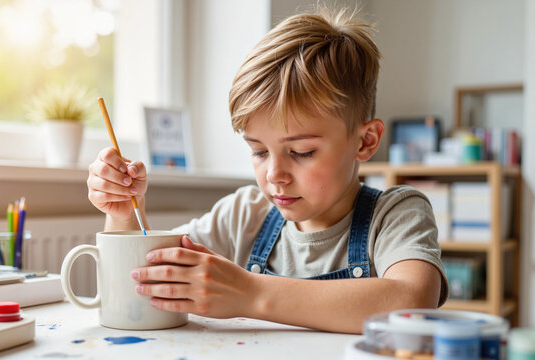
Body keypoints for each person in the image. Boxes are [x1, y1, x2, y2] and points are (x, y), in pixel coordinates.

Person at [87, 6, 447, 334]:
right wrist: (122, 217)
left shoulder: (396, 214)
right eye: (258, 151)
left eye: (302, 152)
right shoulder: (244, 214)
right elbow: (148, 278)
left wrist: (252, 293)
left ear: (365, 142)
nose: (275, 174)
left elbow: (411, 302)